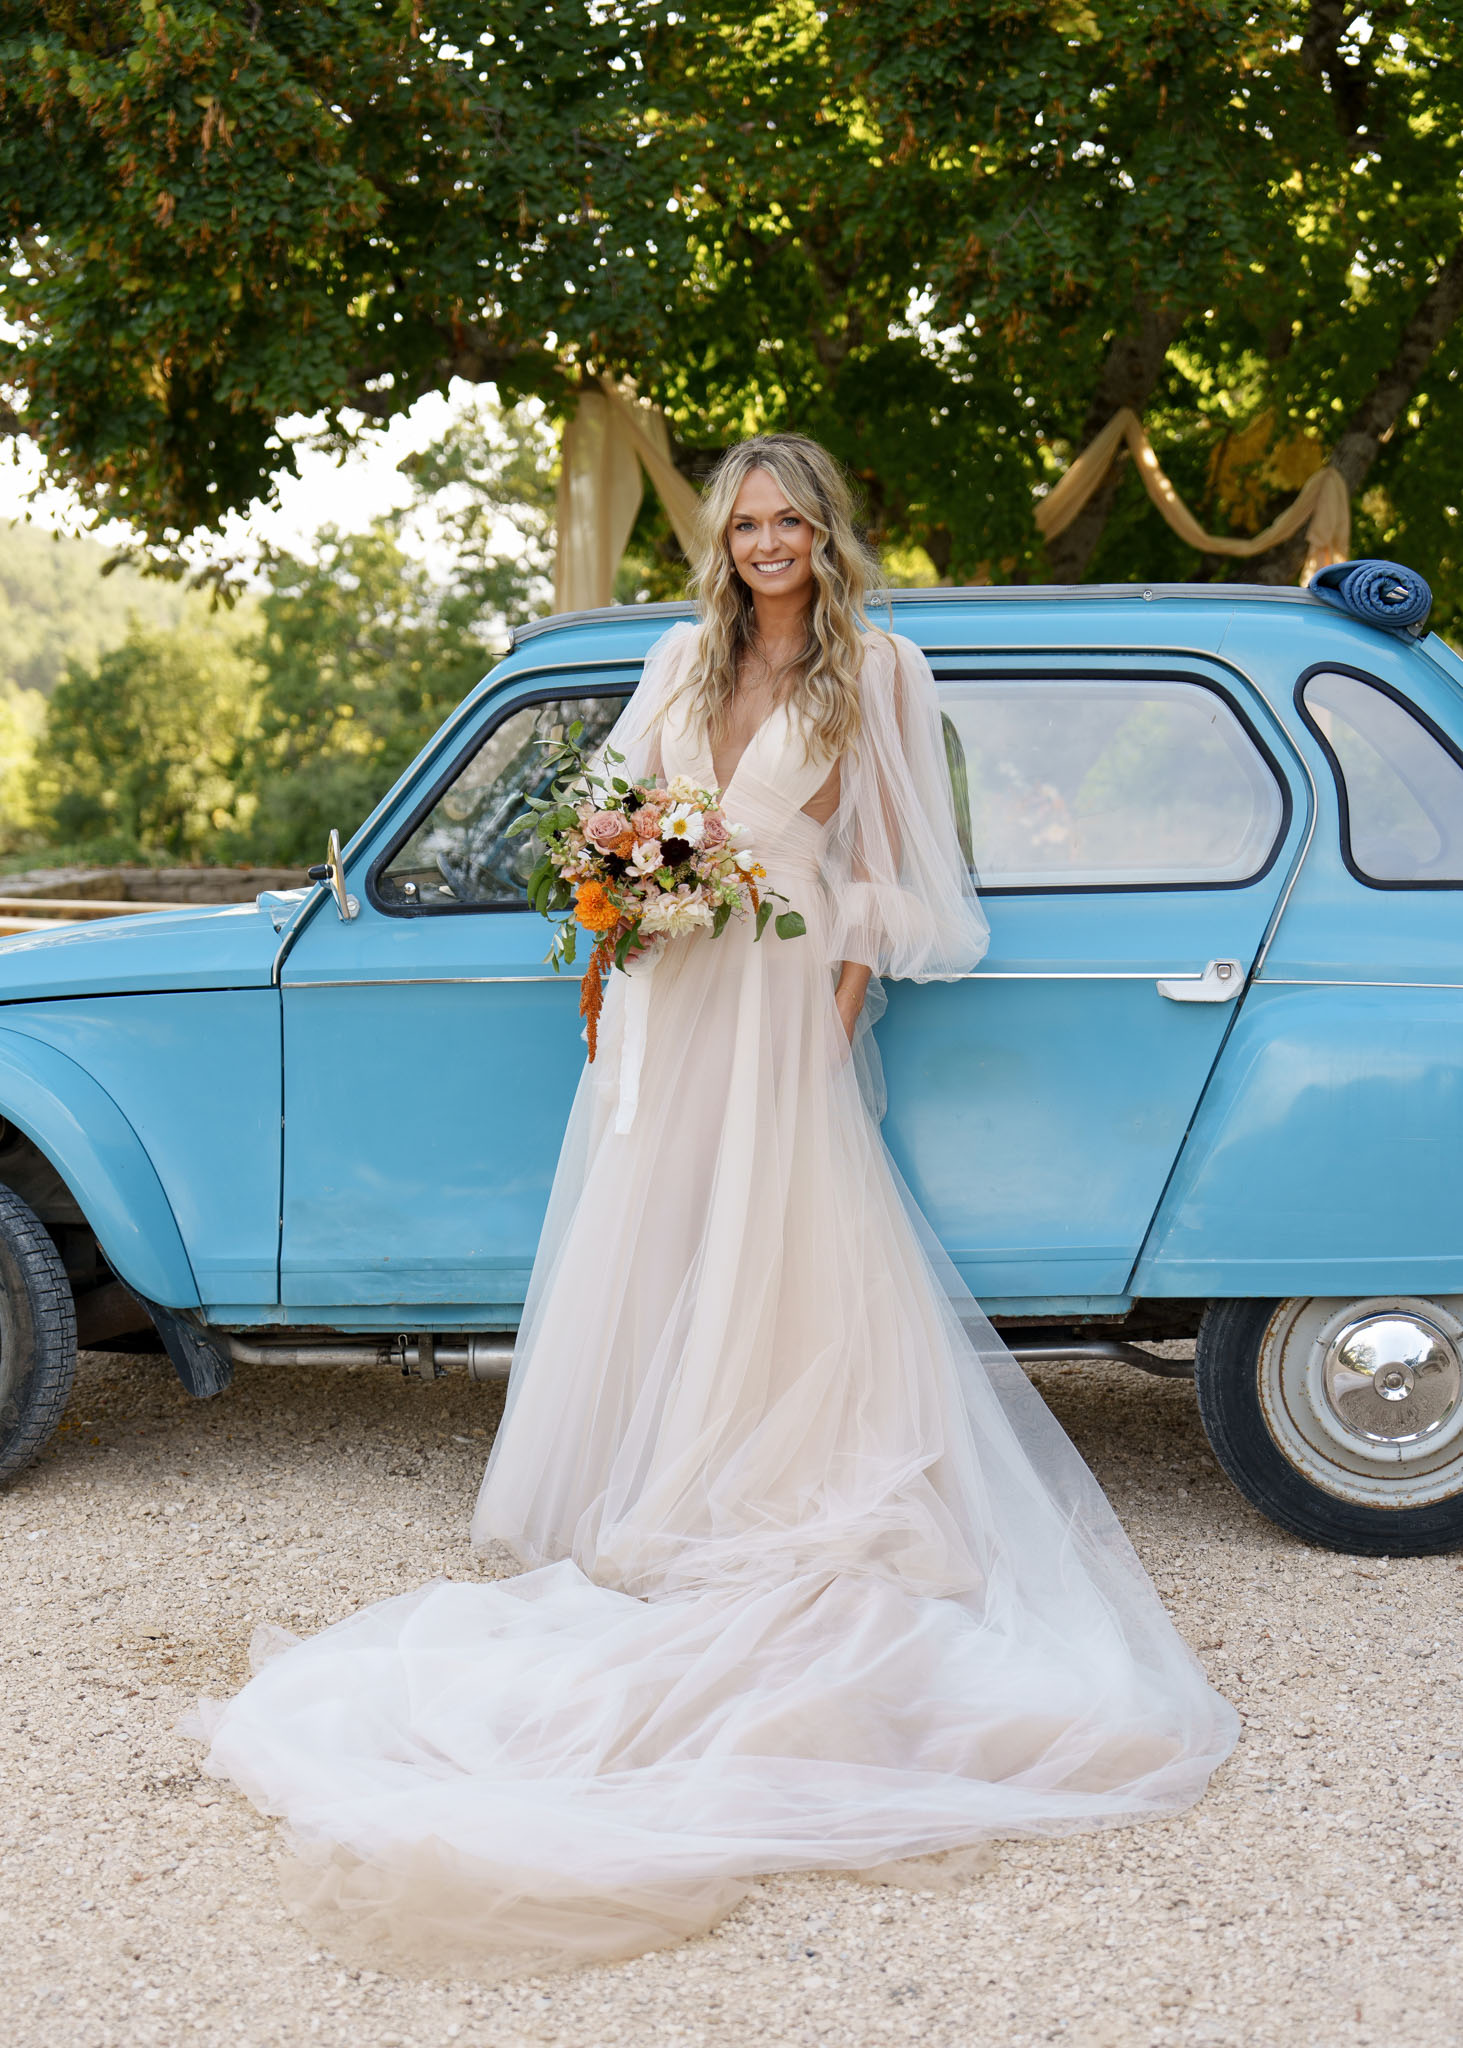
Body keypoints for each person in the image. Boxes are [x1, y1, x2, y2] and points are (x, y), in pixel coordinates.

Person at [190, 434, 1237, 1976]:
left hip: (787, 986)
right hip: (678, 987)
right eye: (744, 521)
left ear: (826, 530)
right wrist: (612, 956)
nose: (765, 542)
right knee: (657, 1226)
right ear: (723, 540)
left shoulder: (878, 673)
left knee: (786, 1233)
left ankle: (765, 1472)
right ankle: (646, 1465)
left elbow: (890, 868)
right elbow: (613, 829)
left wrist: (839, 1008)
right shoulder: (680, 660)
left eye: (789, 519)